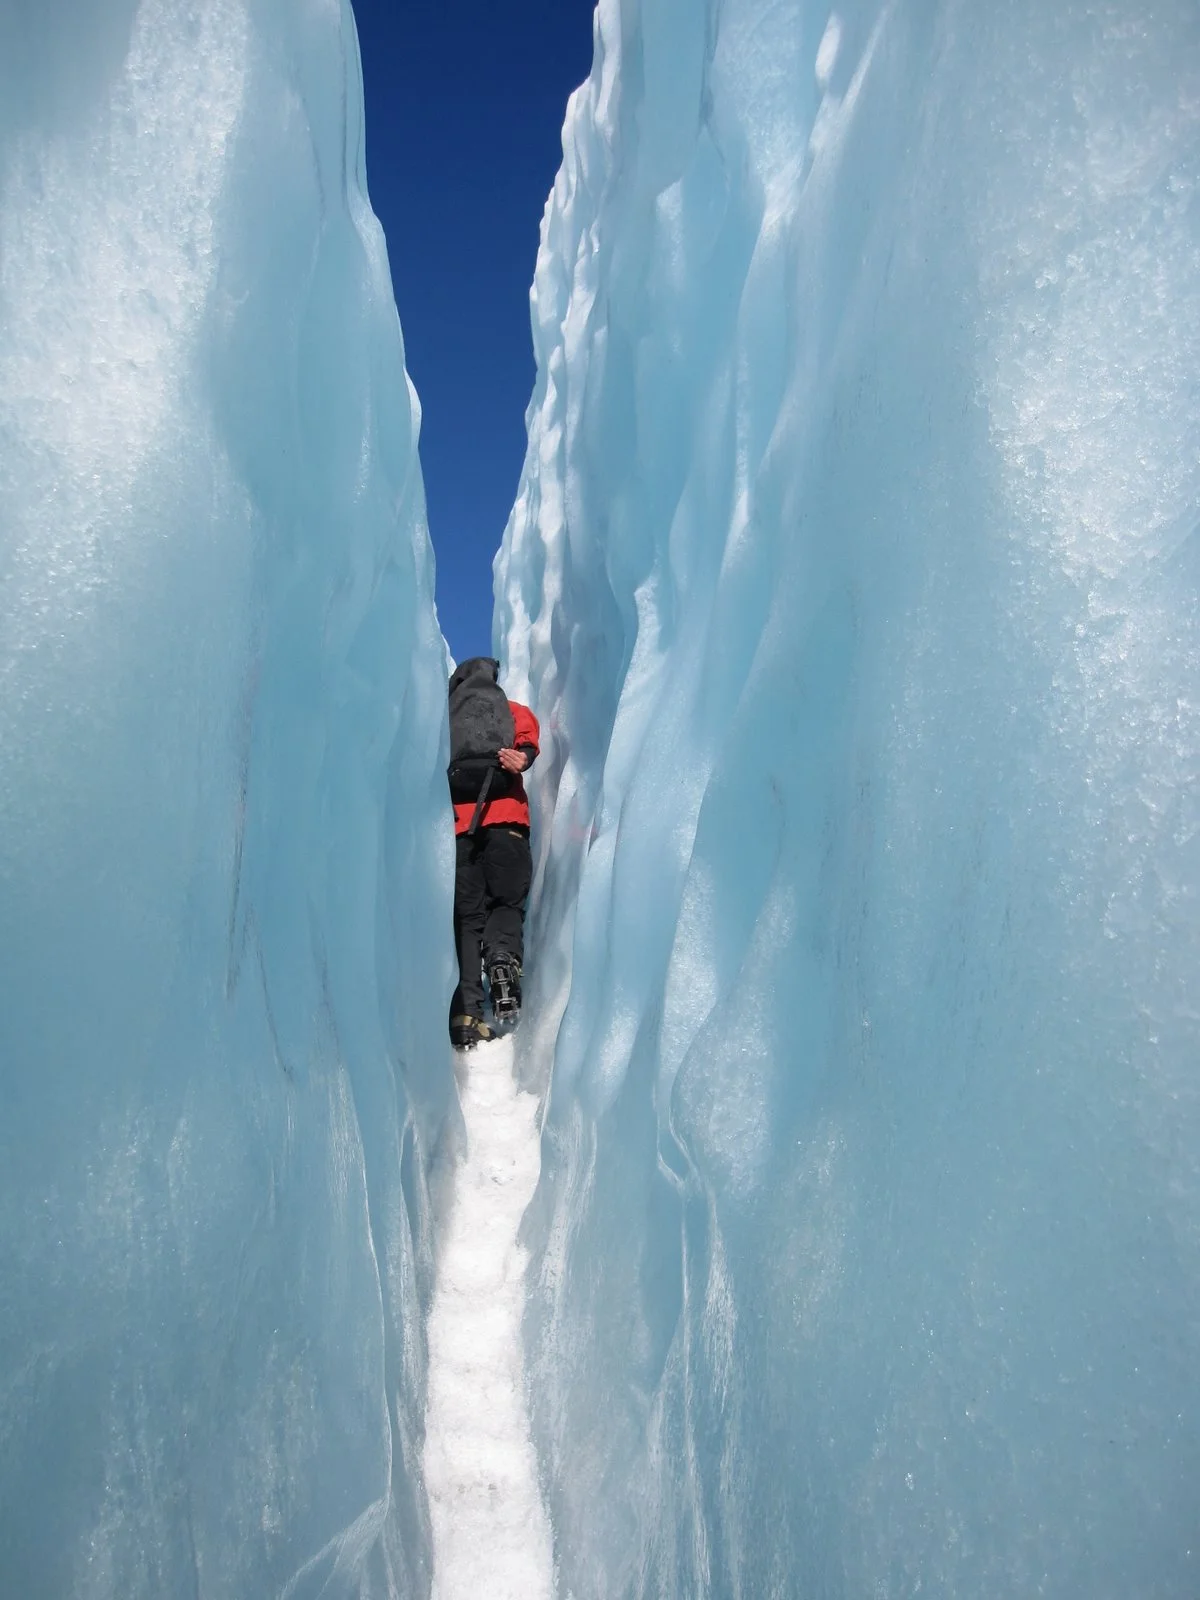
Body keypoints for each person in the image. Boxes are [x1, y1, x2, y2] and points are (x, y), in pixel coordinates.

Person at [446, 657, 539, 1051]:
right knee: (506, 902)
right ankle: (502, 957)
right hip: (508, 823)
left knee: (467, 918)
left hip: (459, 829)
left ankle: (467, 1015)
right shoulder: (510, 710)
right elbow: (527, 746)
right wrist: (523, 757)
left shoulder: (446, 720)